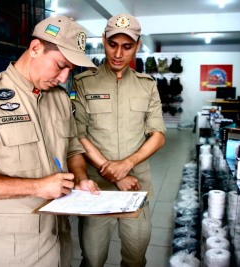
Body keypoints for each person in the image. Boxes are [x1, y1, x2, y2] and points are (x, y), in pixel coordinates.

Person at [0, 15, 100, 267]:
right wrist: (37, 187)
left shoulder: (59, 98)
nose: (63, 78)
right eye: (60, 65)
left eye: (70, 69)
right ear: (36, 48)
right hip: (13, 250)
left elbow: (72, 148)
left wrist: (81, 179)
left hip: (59, 239)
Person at [71, 13, 166, 267]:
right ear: (103, 40)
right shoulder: (84, 82)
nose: (118, 53)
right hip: (97, 190)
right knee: (92, 259)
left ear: (137, 45)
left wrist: (127, 164)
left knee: (135, 259)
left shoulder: (147, 86)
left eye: (127, 46)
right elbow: (78, 135)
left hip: (136, 188)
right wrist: (115, 173)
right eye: (113, 44)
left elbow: (158, 135)